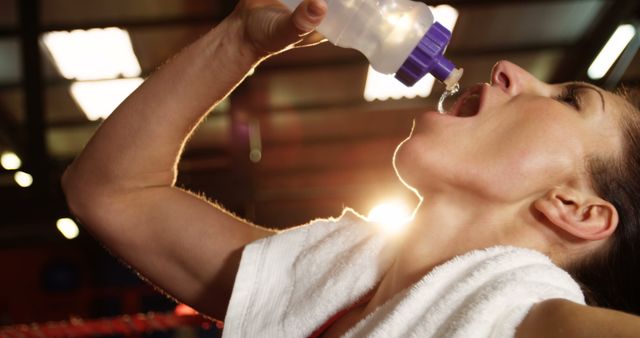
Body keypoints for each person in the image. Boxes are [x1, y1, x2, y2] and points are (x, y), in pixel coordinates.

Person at [61, 0, 640, 336]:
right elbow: (110, 191)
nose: (511, 69)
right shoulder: (320, 281)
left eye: (570, 100)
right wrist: (238, 39)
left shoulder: (534, 323)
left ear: (576, 209)